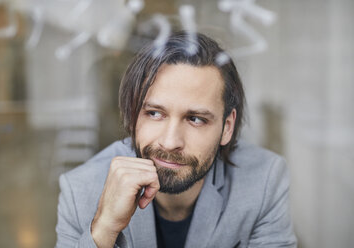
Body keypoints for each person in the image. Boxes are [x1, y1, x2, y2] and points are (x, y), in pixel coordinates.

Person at [55, 31, 297, 248]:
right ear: (133, 114)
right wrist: (104, 230)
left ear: (227, 127)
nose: (170, 142)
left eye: (196, 119)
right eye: (155, 113)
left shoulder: (264, 180)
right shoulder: (81, 190)